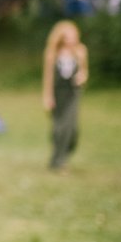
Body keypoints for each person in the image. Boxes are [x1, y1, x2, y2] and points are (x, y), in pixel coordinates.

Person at [42, 20, 89, 170]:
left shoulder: (80, 51)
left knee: (71, 128)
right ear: (61, 38)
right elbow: (48, 77)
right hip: (58, 93)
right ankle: (58, 160)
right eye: (67, 37)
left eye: (73, 36)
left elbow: (84, 72)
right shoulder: (52, 53)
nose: (70, 40)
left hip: (73, 93)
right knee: (58, 128)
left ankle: (62, 155)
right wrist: (47, 97)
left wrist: (82, 77)